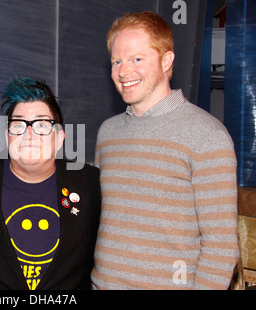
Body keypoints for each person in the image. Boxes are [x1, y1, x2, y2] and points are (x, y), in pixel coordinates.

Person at [91, 11, 239, 290]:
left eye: (137, 59)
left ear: (167, 60)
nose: (124, 71)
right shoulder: (107, 133)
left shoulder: (208, 135)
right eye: (116, 61)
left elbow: (221, 247)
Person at [0, 76, 101, 290]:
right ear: (7, 135)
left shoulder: (92, 185)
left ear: (60, 138)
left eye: (42, 124)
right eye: (18, 124)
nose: (29, 134)